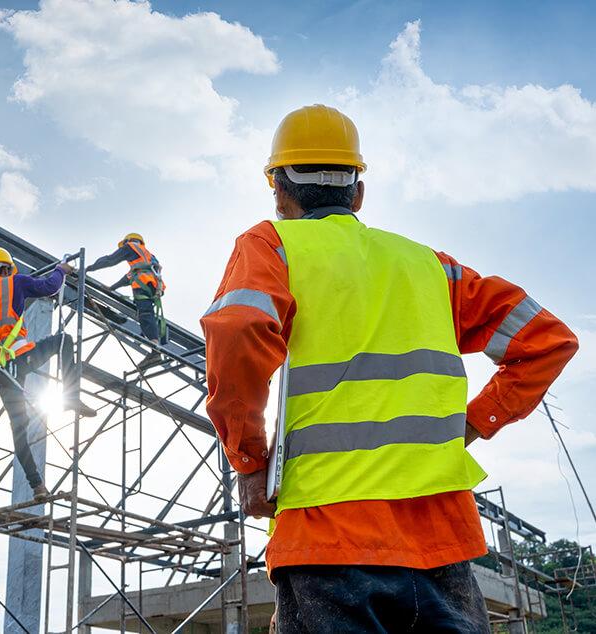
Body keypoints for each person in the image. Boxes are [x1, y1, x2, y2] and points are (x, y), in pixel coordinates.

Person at [200, 104, 579, 632]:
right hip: (442, 541)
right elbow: (548, 339)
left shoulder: (271, 245)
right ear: (358, 192)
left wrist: (247, 460)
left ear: (279, 191)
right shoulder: (429, 265)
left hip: (324, 536)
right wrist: (473, 422)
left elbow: (238, 329)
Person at [0, 246, 98, 500]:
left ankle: (37, 487)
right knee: (64, 340)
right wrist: (60, 270)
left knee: (18, 429)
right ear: (7, 268)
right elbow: (48, 288)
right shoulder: (14, 281)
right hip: (18, 356)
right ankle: (70, 396)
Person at [89, 233, 167, 369]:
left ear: (128, 241)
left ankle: (155, 350)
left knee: (145, 315)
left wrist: (88, 268)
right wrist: (112, 288)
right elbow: (128, 277)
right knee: (146, 314)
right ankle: (155, 349)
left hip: (143, 284)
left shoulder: (130, 247)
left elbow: (110, 260)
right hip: (152, 286)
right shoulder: (147, 256)